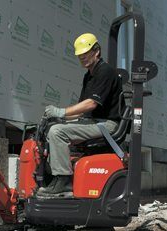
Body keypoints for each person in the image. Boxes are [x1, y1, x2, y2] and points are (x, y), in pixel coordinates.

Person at [37, 33, 124, 195]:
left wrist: (61, 112)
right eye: (80, 55)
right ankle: (55, 176)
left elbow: (91, 103)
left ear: (96, 51)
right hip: (93, 121)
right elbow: (82, 109)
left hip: (106, 124)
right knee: (52, 128)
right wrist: (57, 117)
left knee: (57, 131)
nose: (82, 57)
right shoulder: (89, 76)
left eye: (85, 53)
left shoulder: (105, 72)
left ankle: (63, 180)